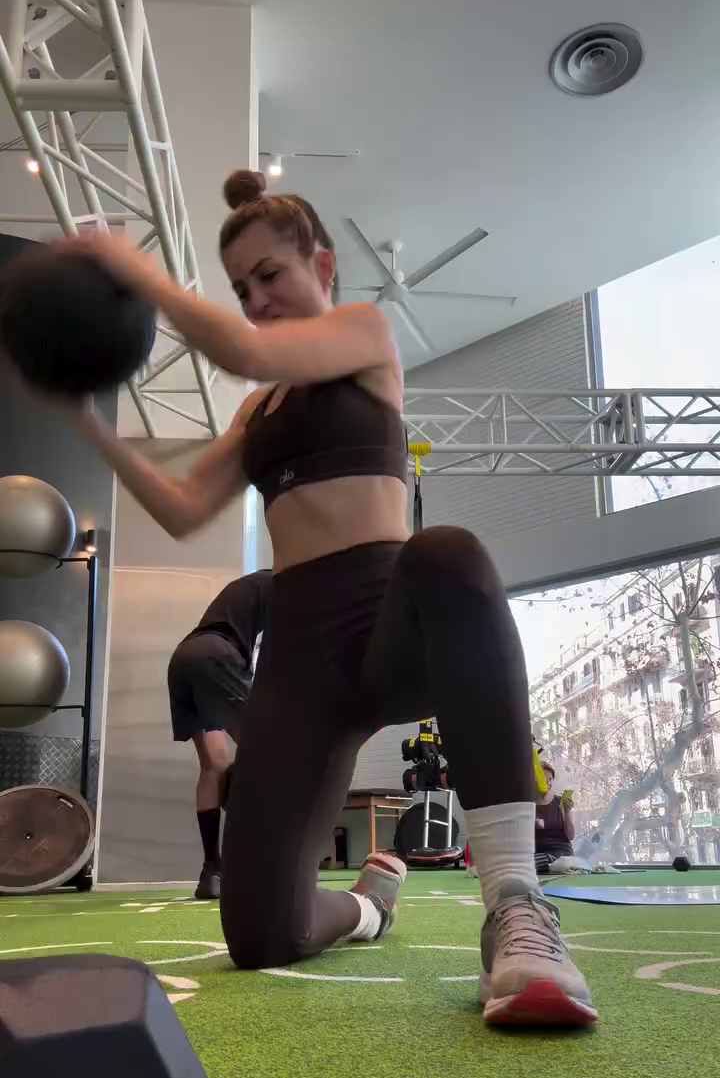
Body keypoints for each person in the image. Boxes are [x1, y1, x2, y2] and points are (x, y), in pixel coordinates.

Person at [45, 170, 596, 1027]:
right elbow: (182, 508)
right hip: (301, 658)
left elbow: (244, 350)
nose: (257, 299)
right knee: (262, 934)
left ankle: (517, 908)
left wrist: (139, 273)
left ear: (324, 266)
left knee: (449, 553)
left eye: (270, 274)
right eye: (242, 288)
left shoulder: (363, 334)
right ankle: (370, 907)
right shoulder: (258, 412)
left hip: (391, 623)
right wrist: (84, 417)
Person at [167, 570, 271, 900]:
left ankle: (212, 869)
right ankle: (260, 863)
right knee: (269, 754)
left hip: (184, 658)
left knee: (214, 764)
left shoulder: (253, 586)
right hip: (217, 654)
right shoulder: (286, 584)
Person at [534, 759, 576, 874]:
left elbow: (570, 836)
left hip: (560, 854)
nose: (548, 783)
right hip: (536, 854)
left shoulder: (560, 803)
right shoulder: (527, 805)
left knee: (527, 864)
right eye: (544, 779)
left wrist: (567, 811)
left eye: (550, 779)